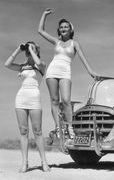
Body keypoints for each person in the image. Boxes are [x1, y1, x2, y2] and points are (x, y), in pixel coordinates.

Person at [38, 8, 98, 139]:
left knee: (65, 100)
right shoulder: (56, 41)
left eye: (66, 27)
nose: (63, 28)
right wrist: (44, 15)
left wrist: (90, 71)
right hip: (52, 71)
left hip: (65, 72)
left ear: (71, 30)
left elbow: (82, 57)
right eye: (61, 27)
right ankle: (58, 128)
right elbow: (40, 31)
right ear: (59, 30)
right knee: (54, 101)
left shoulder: (74, 43)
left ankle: (69, 127)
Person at [4, 42, 50, 172]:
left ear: (37, 51)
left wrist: (32, 49)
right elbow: (7, 64)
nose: (29, 50)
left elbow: (39, 63)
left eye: (33, 48)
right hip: (21, 99)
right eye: (28, 48)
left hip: (34, 99)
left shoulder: (41, 65)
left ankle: (44, 162)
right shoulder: (22, 67)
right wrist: (19, 49)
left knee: (38, 131)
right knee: (23, 131)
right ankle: (25, 163)